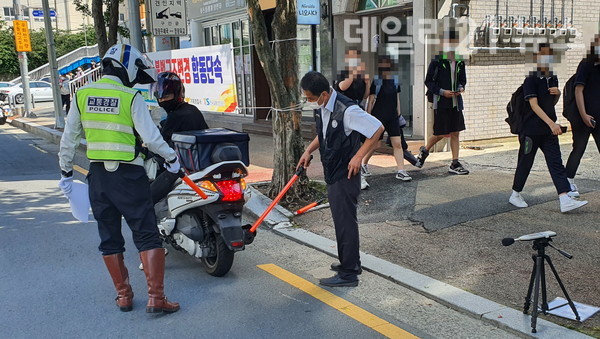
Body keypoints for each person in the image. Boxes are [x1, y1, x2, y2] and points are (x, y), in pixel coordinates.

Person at [58, 44, 181, 313]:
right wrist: (172, 158)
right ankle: (156, 299)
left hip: (99, 178)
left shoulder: (82, 94)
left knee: (109, 238)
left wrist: (66, 172)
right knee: (147, 235)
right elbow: (150, 138)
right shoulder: (130, 96)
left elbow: (69, 139)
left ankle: (124, 296)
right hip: (129, 177)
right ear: (126, 67)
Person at [297, 71, 383, 287]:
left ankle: (349, 274)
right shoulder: (325, 107)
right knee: (342, 221)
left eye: (309, 98)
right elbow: (324, 133)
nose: (309, 102)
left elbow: (377, 129)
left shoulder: (348, 110)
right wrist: (308, 150)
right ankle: (351, 262)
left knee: (345, 223)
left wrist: (358, 157)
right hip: (333, 171)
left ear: (324, 94)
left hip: (345, 174)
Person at [509, 43, 588, 212]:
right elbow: (534, 105)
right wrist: (552, 123)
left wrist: (558, 94)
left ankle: (564, 198)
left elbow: (549, 104)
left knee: (555, 163)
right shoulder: (531, 79)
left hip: (549, 130)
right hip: (531, 130)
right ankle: (515, 194)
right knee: (525, 162)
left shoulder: (552, 77)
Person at [150, 71, 209, 204]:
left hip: (183, 165)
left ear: (177, 94)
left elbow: (160, 143)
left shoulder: (175, 116)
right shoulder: (193, 109)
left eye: (167, 96)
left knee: (148, 198)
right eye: (160, 97)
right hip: (202, 161)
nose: (162, 100)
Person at [416, 30, 469, 175]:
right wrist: (441, 92)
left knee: (455, 132)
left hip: (456, 103)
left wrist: (460, 88)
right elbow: (428, 81)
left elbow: (463, 80)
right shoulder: (437, 61)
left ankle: (455, 163)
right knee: (440, 133)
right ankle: (424, 151)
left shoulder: (459, 61)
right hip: (441, 102)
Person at [361, 55, 415, 183]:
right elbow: (371, 100)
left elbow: (396, 98)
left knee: (397, 144)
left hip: (392, 117)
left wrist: (399, 113)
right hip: (377, 117)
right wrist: (368, 117)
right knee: (375, 144)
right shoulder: (377, 81)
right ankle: (362, 164)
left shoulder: (395, 81)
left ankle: (401, 171)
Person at [564, 34, 600, 197]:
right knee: (578, 149)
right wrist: (584, 115)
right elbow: (578, 90)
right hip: (582, 117)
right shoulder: (586, 64)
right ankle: (568, 183)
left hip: (598, 118)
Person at [333, 48, 372, 189]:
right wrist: (353, 72)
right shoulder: (343, 73)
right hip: (344, 110)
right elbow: (342, 87)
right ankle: (346, 173)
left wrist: (367, 83)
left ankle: (357, 174)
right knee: (346, 142)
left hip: (358, 109)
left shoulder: (361, 75)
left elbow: (365, 96)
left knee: (357, 142)